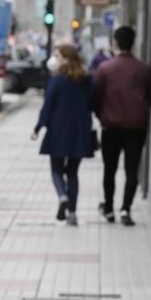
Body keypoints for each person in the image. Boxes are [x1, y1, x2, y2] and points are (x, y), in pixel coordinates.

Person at [93, 26, 151, 226]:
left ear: (116, 43)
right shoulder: (144, 69)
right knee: (132, 169)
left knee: (109, 169)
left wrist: (102, 115)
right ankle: (126, 209)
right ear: (133, 43)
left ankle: (109, 209)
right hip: (136, 127)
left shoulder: (105, 69)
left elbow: (96, 98)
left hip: (111, 127)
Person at [32, 44, 95, 226]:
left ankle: (62, 195)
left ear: (66, 58)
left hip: (59, 128)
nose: (55, 60)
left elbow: (48, 106)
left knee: (56, 169)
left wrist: (38, 127)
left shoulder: (57, 80)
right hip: (80, 129)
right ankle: (72, 213)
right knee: (73, 172)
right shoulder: (87, 79)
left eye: (58, 56)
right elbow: (93, 102)